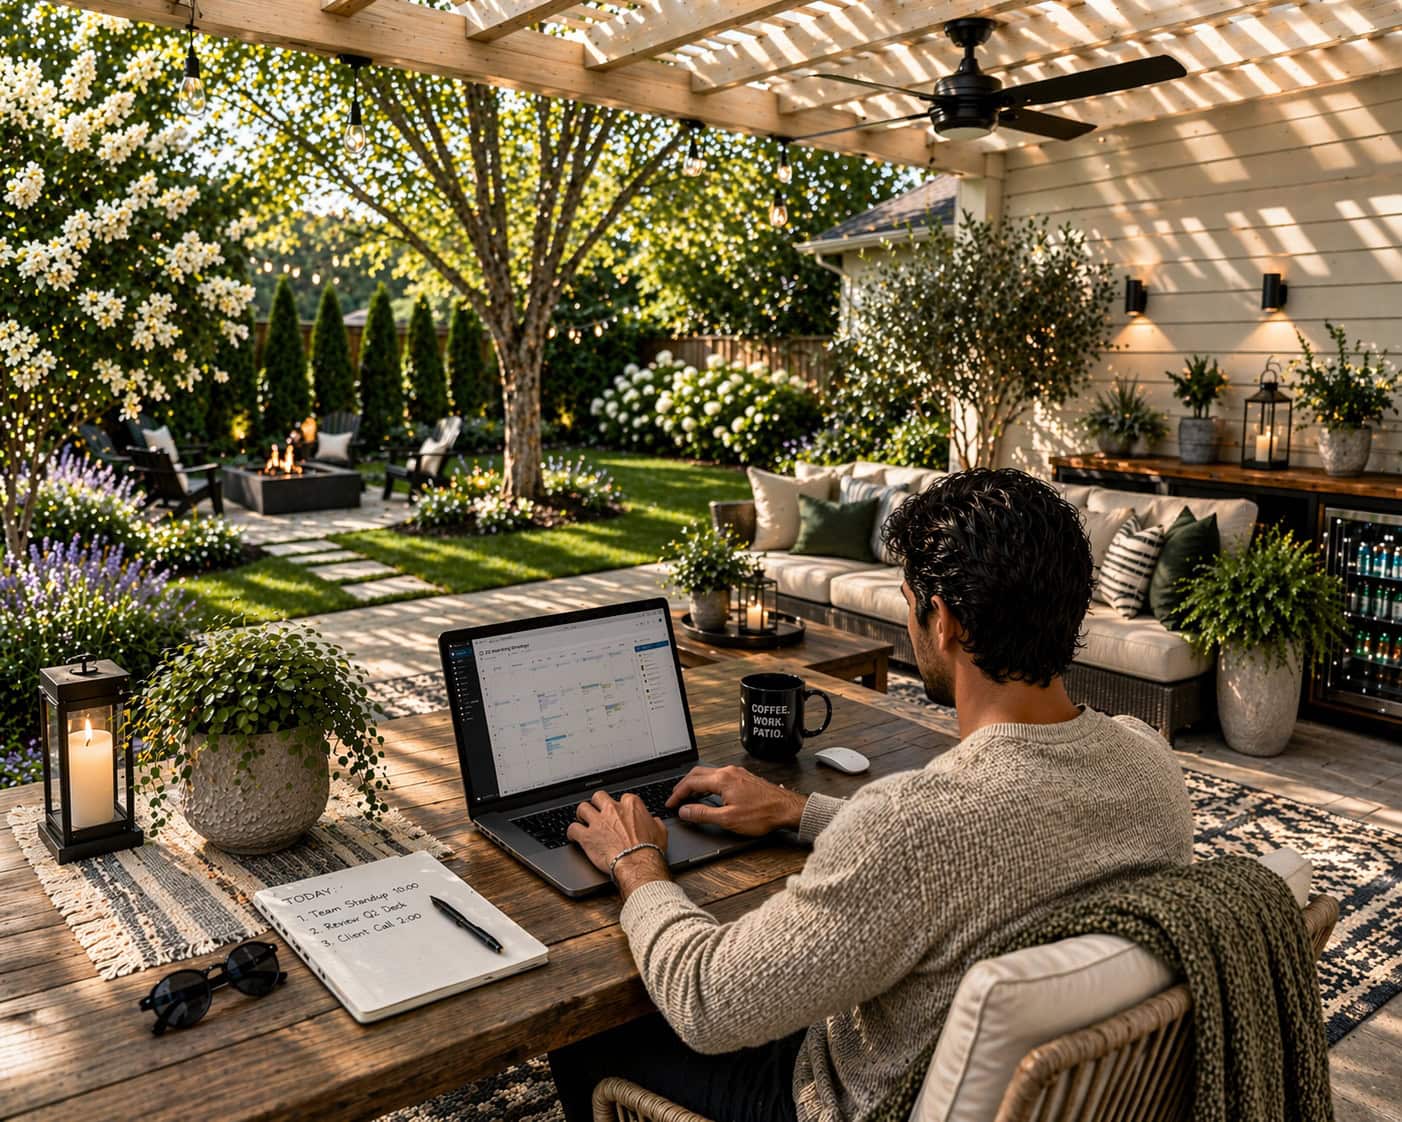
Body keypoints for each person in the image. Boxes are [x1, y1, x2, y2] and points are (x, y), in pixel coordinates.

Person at [549, 468, 1194, 1122]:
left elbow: (706, 1001)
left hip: (842, 1099)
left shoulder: (913, 828)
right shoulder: (1150, 762)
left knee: (587, 1040)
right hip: (1053, 1096)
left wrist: (635, 861)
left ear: (939, 619)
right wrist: (802, 812)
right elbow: (1015, 840)